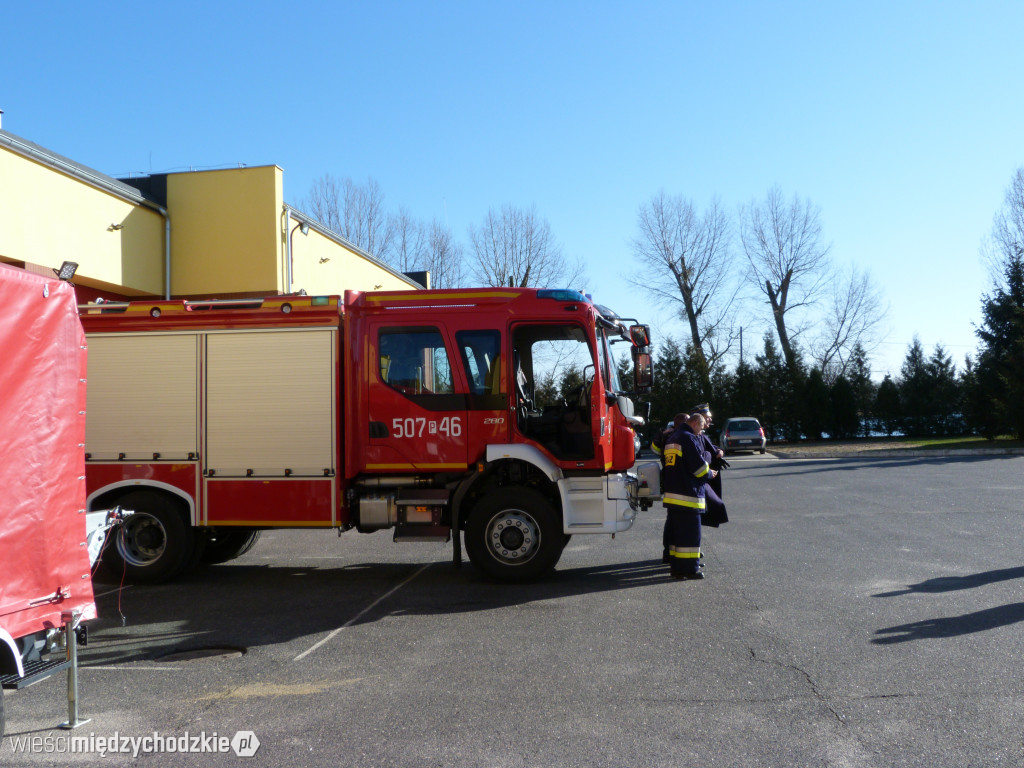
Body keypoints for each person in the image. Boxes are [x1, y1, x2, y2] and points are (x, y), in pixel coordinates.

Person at [661, 412, 715, 580]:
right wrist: (709, 473)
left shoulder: (673, 437)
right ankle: (689, 570)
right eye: (701, 428)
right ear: (694, 424)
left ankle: (678, 569)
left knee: (678, 538)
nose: (701, 432)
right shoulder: (688, 438)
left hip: (673, 495)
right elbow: (698, 468)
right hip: (688, 496)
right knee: (690, 537)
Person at [691, 403, 729, 528]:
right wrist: (709, 455)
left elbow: (709, 447)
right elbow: (700, 457)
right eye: (707, 417)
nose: (710, 419)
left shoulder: (701, 435)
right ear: (699, 418)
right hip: (695, 483)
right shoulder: (691, 436)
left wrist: (717, 450)